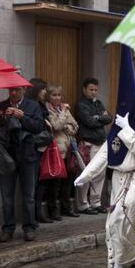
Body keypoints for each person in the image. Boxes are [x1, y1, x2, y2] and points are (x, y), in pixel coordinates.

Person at [74, 46, 135, 268]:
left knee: (120, 218)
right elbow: (104, 155)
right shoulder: (116, 129)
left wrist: (127, 130)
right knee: (123, 222)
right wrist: (85, 176)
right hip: (118, 179)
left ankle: (117, 266)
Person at [0, 85, 43, 242]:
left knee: (29, 196)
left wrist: (22, 117)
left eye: (17, 90)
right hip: (7, 158)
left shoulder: (32, 106)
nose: (13, 93)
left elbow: (39, 127)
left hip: (27, 157)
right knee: (7, 196)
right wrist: (4, 118)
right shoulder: (0, 107)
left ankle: (29, 227)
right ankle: (8, 228)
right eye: (11, 90)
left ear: (24, 90)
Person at [74, 78, 112, 215]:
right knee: (86, 174)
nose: (94, 92)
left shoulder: (98, 103)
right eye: (91, 89)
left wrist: (99, 118)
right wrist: (100, 118)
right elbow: (89, 122)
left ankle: (96, 202)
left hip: (101, 143)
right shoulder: (81, 105)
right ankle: (83, 204)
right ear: (84, 89)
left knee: (99, 174)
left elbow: (110, 118)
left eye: (95, 90)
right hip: (88, 144)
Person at [45, 84, 79, 219]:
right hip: (56, 150)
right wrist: (64, 115)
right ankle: (53, 210)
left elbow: (75, 125)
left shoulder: (62, 108)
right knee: (55, 183)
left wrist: (69, 128)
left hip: (68, 148)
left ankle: (66, 208)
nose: (57, 98)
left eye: (59, 95)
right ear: (49, 96)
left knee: (67, 181)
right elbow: (55, 125)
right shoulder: (49, 109)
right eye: (54, 95)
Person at [24, 78, 53, 224]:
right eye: (43, 89)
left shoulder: (41, 105)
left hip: (43, 146)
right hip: (35, 147)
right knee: (35, 183)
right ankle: (34, 214)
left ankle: (37, 212)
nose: (45, 92)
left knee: (41, 181)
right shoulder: (32, 106)